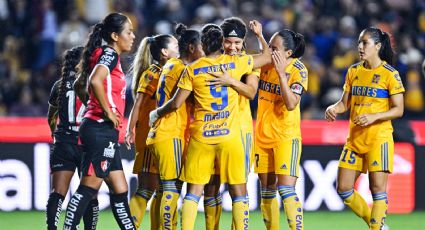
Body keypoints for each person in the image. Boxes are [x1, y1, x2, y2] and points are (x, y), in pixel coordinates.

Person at [149, 21, 270, 230]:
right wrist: (259, 35)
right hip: (231, 135)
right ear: (221, 43)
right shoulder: (236, 63)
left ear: (203, 45)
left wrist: (157, 112)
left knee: (193, 192)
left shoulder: (192, 69)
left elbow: (177, 103)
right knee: (238, 191)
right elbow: (268, 57)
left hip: (202, 136)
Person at [325, 27, 404, 230]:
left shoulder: (390, 74)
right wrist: (334, 108)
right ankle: (377, 223)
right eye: (359, 42)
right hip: (355, 139)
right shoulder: (354, 71)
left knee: (377, 190)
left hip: (379, 138)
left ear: (377, 46)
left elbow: (399, 109)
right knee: (343, 188)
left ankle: (376, 228)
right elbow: (345, 104)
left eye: (365, 43)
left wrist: (374, 116)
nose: (360, 46)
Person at [64, 12, 135, 230]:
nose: (133, 36)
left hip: (101, 129)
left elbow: (79, 85)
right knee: (89, 187)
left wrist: (93, 107)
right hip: (100, 129)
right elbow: (94, 80)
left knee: (120, 189)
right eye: (129, 32)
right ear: (115, 35)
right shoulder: (109, 54)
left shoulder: (101, 54)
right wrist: (106, 112)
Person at [203, 17, 261, 230]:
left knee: (238, 187)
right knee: (210, 186)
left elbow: (251, 92)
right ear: (221, 40)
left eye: (238, 43)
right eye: (229, 42)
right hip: (213, 130)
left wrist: (231, 81)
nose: (233, 47)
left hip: (241, 131)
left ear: (244, 42)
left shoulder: (249, 62)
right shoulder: (211, 61)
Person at [144, 23, 204, 230]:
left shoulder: (170, 65)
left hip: (161, 133)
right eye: (202, 47)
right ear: (192, 48)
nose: (204, 52)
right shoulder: (182, 69)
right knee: (171, 188)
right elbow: (178, 102)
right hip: (171, 132)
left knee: (165, 188)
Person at [254, 29, 308, 230]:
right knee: (267, 192)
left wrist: (281, 76)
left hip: (286, 136)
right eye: (269, 45)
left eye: (274, 48)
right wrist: (259, 35)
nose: (269, 51)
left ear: (287, 53)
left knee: (286, 189)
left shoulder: (298, 70)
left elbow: (292, 103)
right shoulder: (265, 63)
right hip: (262, 136)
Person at [125, 33, 179, 229]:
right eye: (175, 45)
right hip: (150, 136)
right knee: (147, 188)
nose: (178, 47)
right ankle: (129, 226)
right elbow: (138, 103)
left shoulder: (173, 70)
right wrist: (131, 129)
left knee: (163, 189)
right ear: (165, 52)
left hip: (166, 135)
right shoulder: (152, 73)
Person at [46, 46, 99, 230]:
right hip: (86, 143)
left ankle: (52, 228)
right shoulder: (92, 83)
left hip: (63, 142)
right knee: (90, 194)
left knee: (58, 193)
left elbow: (51, 116)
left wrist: (55, 134)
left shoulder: (58, 85)